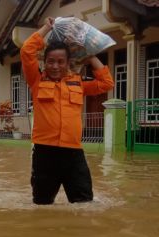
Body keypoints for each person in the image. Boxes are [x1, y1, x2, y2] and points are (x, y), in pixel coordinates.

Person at [20, 17, 114, 204]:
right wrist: (46, 28)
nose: (55, 66)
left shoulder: (78, 83)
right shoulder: (37, 81)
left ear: (68, 62)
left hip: (73, 154)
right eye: (51, 61)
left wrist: (91, 56)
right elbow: (26, 50)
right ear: (44, 62)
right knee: (42, 204)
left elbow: (106, 83)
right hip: (44, 154)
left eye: (61, 62)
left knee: (84, 202)